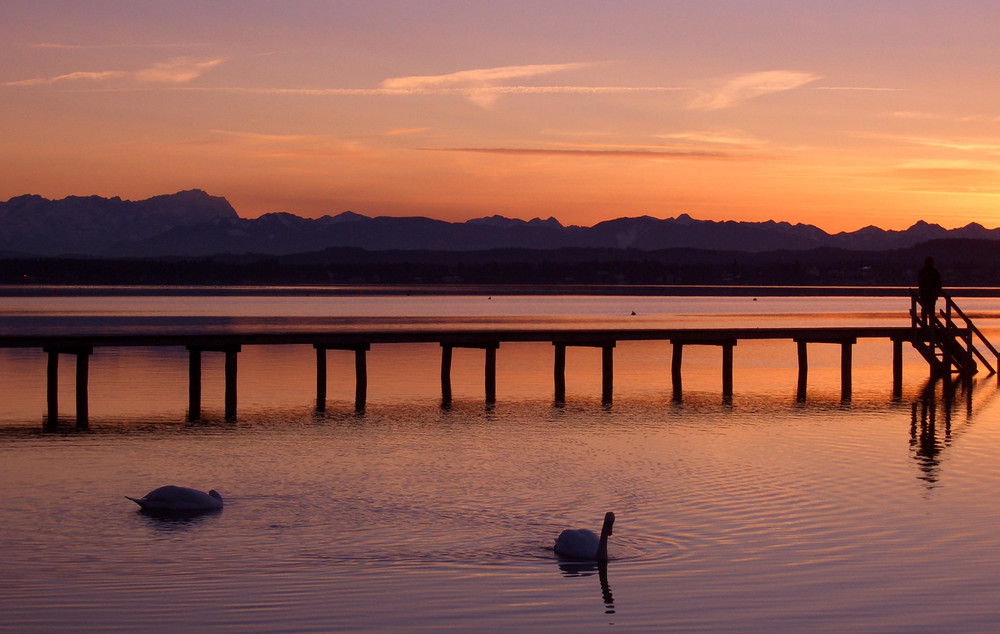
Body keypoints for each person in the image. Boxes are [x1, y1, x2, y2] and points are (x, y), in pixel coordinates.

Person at [917, 256, 942, 324]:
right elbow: (938, 283)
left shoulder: (924, 271)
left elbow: (938, 283)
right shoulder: (932, 271)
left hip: (929, 295)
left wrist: (936, 293)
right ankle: (928, 324)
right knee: (927, 310)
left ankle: (929, 324)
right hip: (928, 295)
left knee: (928, 310)